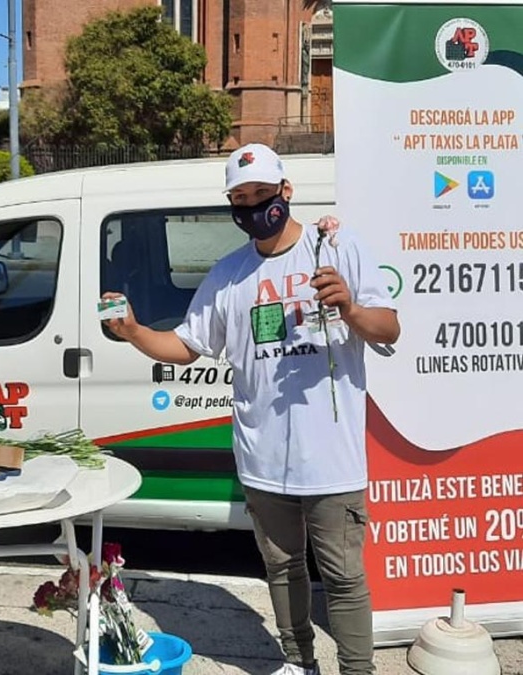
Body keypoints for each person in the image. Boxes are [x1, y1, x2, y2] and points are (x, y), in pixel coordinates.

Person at [104, 143, 399, 675]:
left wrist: (350, 307)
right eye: (240, 199)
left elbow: (389, 329)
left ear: (286, 192)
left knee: (343, 578)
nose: (252, 208)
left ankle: (359, 671)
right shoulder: (228, 274)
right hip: (262, 459)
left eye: (262, 194)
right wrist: (135, 333)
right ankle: (297, 662)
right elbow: (188, 345)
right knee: (282, 569)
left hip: (333, 461)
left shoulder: (337, 248)